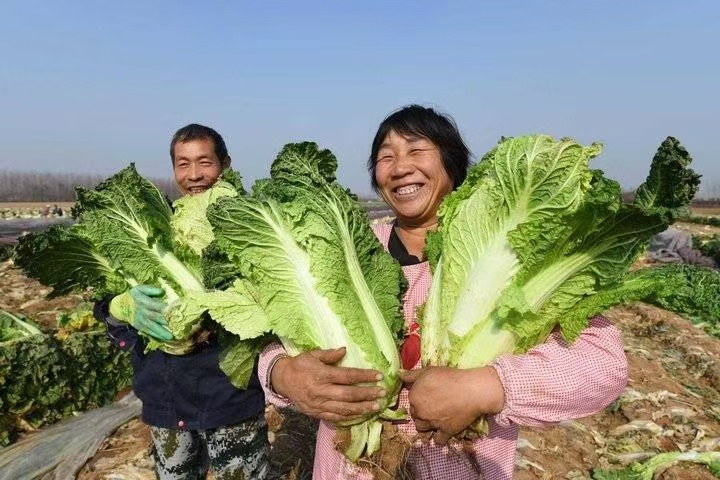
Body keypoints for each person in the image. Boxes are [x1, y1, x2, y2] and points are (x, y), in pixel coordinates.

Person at [259, 105, 628, 479]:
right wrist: (281, 372)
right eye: (385, 157)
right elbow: (273, 333)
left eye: (416, 150)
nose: (400, 166)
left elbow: (604, 366)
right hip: (344, 466)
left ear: (452, 165)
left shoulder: (510, 257)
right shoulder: (351, 249)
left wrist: (487, 387)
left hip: (463, 465)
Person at [94, 124, 269, 480]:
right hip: (165, 397)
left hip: (229, 393)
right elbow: (107, 296)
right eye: (182, 164)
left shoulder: (250, 224)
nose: (194, 175)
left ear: (226, 165)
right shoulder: (157, 226)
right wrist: (119, 307)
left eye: (204, 163)